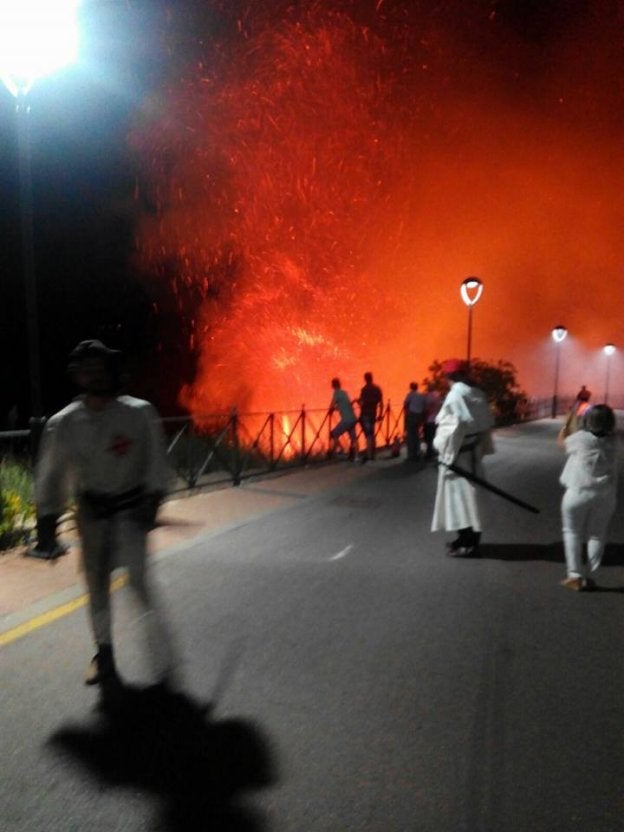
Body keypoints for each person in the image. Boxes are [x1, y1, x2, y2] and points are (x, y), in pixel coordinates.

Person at [34, 340, 177, 688]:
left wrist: (152, 504)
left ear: (112, 371)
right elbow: (52, 473)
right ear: (78, 376)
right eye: (87, 369)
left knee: (139, 584)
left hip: (130, 514)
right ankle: (104, 655)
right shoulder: (64, 423)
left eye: (99, 368)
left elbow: (156, 463)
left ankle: (162, 658)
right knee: (97, 588)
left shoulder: (138, 413)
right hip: (92, 517)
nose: (94, 375)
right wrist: (47, 522)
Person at [431, 359, 494, 556]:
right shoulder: (478, 393)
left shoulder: (455, 395)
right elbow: (486, 425)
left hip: (458, 456)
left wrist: (439, 448)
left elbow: (451, 428)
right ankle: (467, 539)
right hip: (472, 452)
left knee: (459, 499)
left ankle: (467, 543)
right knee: (473, 498)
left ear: (448, 377)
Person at [558, 404, 618, 591]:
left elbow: (562, 442)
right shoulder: (616, 442)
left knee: (572, 532)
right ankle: (590, 575)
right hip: (606, 495)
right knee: (597, 535)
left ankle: (574, 576)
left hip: (577, 493)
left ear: (588, 420)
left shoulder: (580, 439)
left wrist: (566, 427)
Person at [328, 377, 357, 460]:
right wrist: (338, 408)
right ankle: (356, 456)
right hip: (353, 418)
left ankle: (340, 449)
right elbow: (346, 404)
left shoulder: (336, 393)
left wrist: (332, 409)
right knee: (353, 438)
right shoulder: (345, 393)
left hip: (346, 420)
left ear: (333, 385)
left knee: (333, 434)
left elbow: (331, 406)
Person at [357, 371, 383, 463]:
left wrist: (357, 402)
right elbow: (381, 403)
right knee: (372, 433)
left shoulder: (364, 389)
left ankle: (368, 455)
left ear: (365, 379)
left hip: (365, 414)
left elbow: (361, 403)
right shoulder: (377, 389)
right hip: (373, 414)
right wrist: (380, 414)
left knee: (368, 435)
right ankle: (373, 454)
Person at [403, 382, 426, 461]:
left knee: (410, 436)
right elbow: (424, 406)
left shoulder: (410, 395)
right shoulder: (421, 395)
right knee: (417, 435)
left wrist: (407, 414)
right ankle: (417, 452)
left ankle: (411, 455)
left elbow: (405, 404)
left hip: (412, 416)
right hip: (419, 416)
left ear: (411, 387)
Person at [423, 383, 442, 460]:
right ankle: (434, 451)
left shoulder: (429, 396)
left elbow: (427, 409)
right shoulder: (437, 394)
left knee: (428, 438)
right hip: (436, 419)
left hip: (429, 420)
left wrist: (423, 418)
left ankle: (429, 453)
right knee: (434, 436)